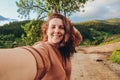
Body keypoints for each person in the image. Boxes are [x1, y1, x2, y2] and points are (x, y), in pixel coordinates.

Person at [0, 13, 82, 80]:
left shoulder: (64, 47)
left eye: (61, 27)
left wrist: (68, 25)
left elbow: (78, 37)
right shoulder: (44, 48)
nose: (57, 31)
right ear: (46, 31)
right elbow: (34, 55)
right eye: (53, 27)